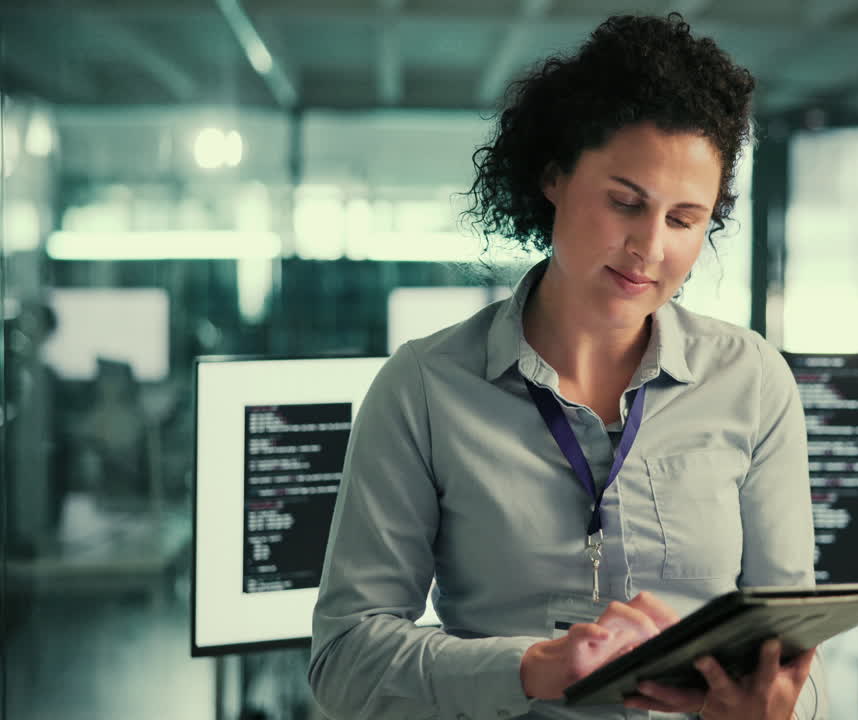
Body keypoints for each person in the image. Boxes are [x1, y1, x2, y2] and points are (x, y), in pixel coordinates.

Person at [309, 13, 825, 720]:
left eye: (683, 220)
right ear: (553, 176)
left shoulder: (753, 380)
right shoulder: (425, 388)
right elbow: (347, 664)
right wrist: (532, 668)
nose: (648, 247)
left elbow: (796, 655)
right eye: (625, 203)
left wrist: (780, 710)